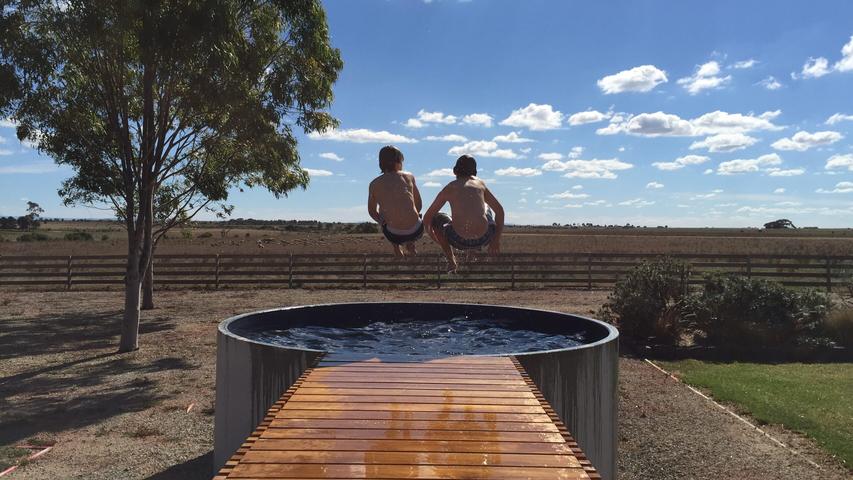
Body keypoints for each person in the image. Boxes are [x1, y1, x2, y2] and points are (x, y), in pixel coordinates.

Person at [423, 155, 504, 272]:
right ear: (475, 172)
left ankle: (451, 260)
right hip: (483, 237)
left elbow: (427, 218)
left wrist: (439, 240)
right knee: (486, 207)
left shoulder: (450, 187)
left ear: (455, 171)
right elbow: (500, 211)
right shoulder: (480, 184)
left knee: (436, 218)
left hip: (457, 239)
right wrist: (496, 240)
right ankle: (472, 251)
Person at [367, 145, 424, 256]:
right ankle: (411, 243)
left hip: (393, 235)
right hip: (416, 230)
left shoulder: (374, 184)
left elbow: (372, 211)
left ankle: (396, 248)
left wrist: (380, 221)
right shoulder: (409, 177)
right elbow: (419, 204)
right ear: (398, 161)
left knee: (383, 215)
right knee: (415, 212)